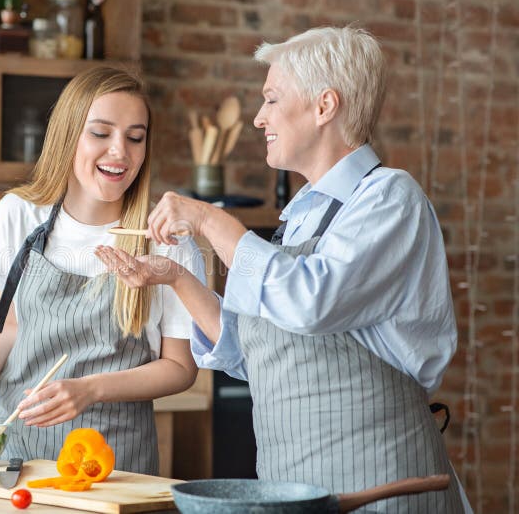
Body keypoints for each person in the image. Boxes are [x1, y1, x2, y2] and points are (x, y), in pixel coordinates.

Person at [96, 26, 470, 511]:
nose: (258, 118)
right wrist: (175, 279)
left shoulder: (389, 198)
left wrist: (210, 218)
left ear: (324, 106)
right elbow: (257, 355)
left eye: (271, 99)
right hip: (295, 489)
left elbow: (311, 301)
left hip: (381, 484)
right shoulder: (303, 214)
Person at [0, 66, 205, 476]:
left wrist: (91, 389)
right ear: (67, 135)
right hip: (16, 452)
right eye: (101, 133)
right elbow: (10, 326)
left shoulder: (167, 242)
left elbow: (180, 368)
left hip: (112, 463)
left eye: (135, 137)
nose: (120, 151)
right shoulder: (18, 215)